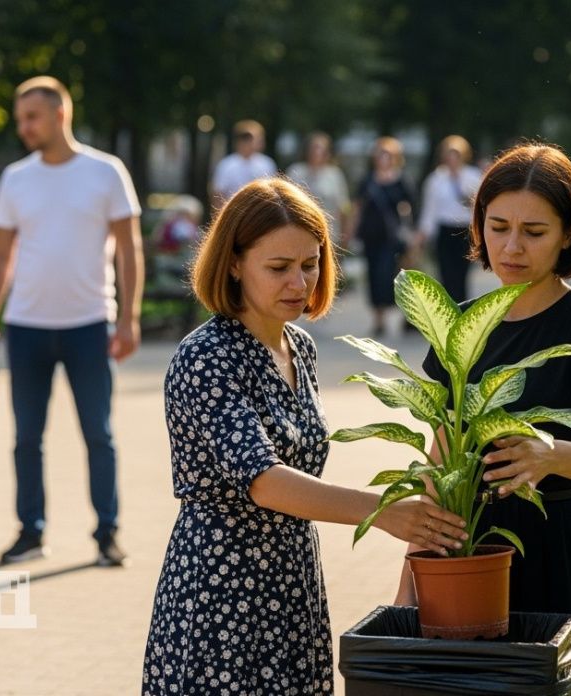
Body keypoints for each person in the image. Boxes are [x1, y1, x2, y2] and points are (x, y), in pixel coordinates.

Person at [143, 178, 467, 695]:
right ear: (233, 264)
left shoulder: (300, 346)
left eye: (310, 264)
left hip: (292, 580)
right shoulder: (206, 356)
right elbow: (264, 481)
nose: (299, 282)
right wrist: (383, 512)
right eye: (279, 268)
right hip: (221, 589)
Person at [396, 144, 571, 696]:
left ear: (568, 234)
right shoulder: (461, 329)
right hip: (467, 554)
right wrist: (409, 588)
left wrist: (553, 455)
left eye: (534, 231)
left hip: (562, 553)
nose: (512, 246)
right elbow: (437, 470)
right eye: (498, 227)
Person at [0, 76, 144, 567]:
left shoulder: (105, 172)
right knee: (27, 438)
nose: (23, 127)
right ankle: (30, 532)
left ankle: (107, 534)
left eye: (32, 117)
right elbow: (0, 255)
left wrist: (129, 318)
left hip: (89, 324)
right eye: (20, 118)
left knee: (98, 434)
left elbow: (129, 248)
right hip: (25, 325)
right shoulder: (16, 178)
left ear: (60, 114)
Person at [345, 137, 415, 336]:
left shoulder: (401, 180)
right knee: (374, 277)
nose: (384, 158)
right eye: (380, 154)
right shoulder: (368, 180)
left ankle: (404, 316)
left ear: (395, 157)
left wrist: (412, 234)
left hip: (392, 238)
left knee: (389, 276)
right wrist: (349, 233)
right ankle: (379, 319)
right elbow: (357, 208)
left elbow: (411, 208)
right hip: (370, 236)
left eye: (388, 154)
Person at [417, 134, 482, 302]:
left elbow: (480, 206)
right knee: (446, 274)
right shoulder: (436, 179)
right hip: (444, 231)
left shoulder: (473, 176)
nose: (453, 159)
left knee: (462, 275)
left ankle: (462, 309)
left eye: (456, 154)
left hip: (465, 231)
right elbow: (430, 210)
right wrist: (423, 234)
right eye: (449, 154)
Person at [285, 132, 350, 244]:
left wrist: (345, 233)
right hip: (301, 232)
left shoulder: (335, 175)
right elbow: (285, 202)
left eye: (321, 149)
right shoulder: (295, 171)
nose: (317, 152)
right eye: (314, 148)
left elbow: (343, 206)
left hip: (330, 234)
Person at [210, 119, 277, 211]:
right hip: (233, 212)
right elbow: (218, 194)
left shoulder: (267, 164)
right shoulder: (227, 165)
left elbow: (272, 193)